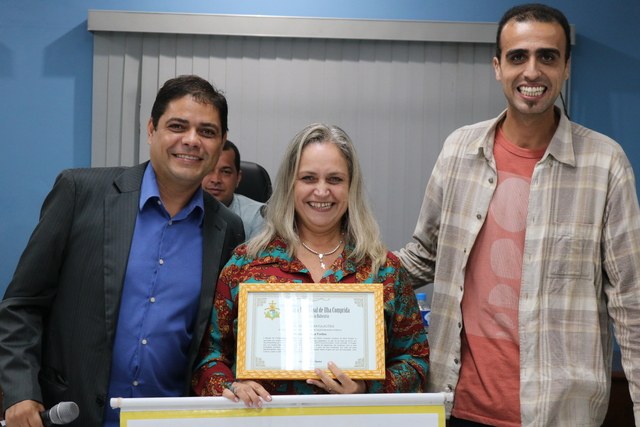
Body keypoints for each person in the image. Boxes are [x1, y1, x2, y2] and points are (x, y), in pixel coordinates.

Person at [396, 3, 640, 426]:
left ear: (566, 67)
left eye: (547, 56)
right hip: (457, 407)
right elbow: (423, 257)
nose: (532, 71)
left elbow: (632, 302)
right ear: (497, 67)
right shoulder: (458, 150)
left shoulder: (605, 164)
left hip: (560, 414)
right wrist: (337, 277)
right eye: (517, 56)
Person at [0, 75, 245, 427]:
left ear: (221, 142)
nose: (192, 140)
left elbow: (215, 339)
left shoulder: (227, 228)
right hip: (71, 414)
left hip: (167, 420)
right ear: (151, 130)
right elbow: (21, 305)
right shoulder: (80, 193)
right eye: (177, 126)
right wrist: (21, 391)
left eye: (207, 131)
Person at [192, 123, 429, 407]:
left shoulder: (384, 269)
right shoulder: (245, 264)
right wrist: (231, 387)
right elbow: (208, 356)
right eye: (308, 178)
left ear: (351, 187)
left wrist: (367, 388)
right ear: (290, 185)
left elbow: (415, 362)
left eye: (335, 179)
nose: (322, 191)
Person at [202, 140, 266, 239]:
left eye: (225, 172)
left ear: (238, 178)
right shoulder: (180, 209)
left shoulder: (257, 216)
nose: (215, 179)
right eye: (209, 170)